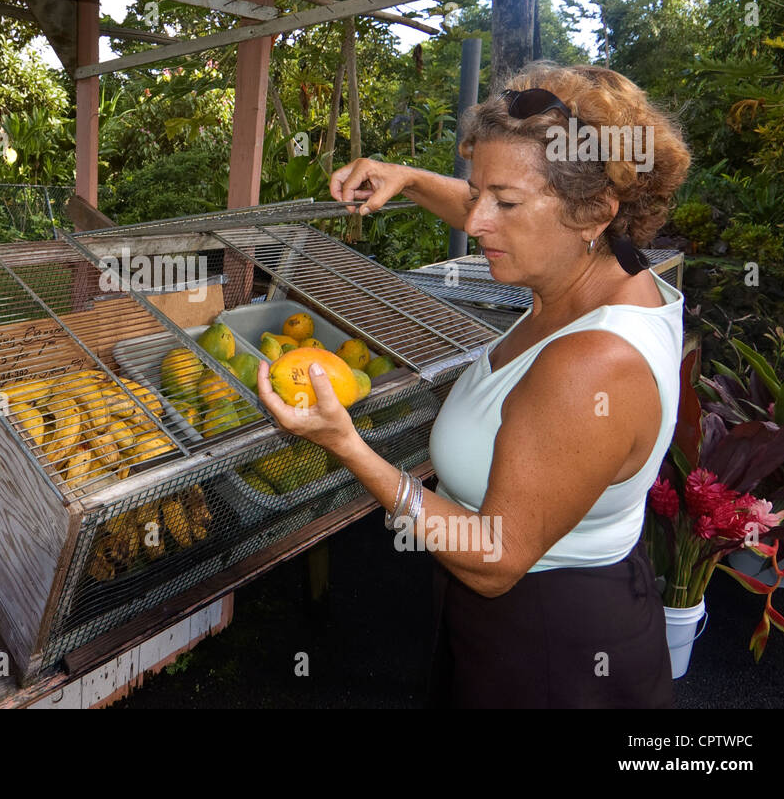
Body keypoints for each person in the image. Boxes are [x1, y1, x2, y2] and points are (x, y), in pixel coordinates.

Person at [255, 62, 690, 708]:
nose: (476, 220)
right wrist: (405, 181)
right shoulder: (611, 267)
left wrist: (346, 447)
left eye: (505, 203)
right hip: (554, 612)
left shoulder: (591, 365)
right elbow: (487, 206)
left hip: (548, 649)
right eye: (475, 190)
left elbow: (492, 560)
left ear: (595, 210)